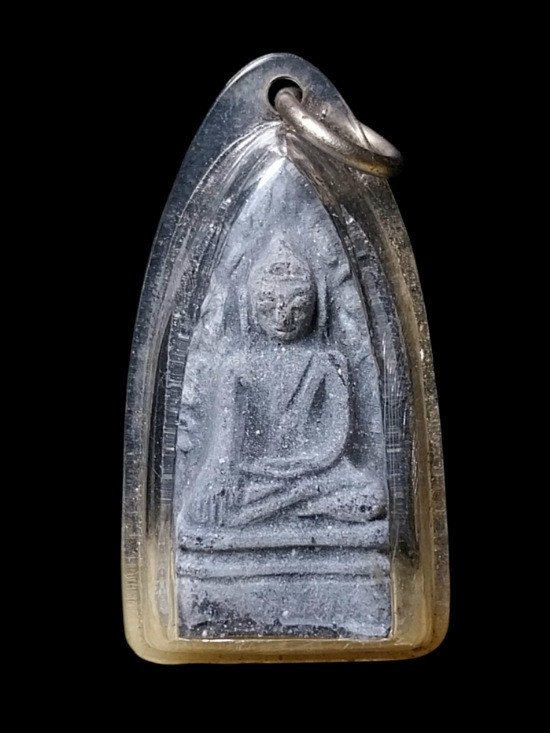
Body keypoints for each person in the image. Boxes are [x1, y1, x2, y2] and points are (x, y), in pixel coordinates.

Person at [184, 242, 386, 527]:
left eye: (298, 307)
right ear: (248, 306)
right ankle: (299, 506)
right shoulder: (237, 367)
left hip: (317, 472)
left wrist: (301, 469)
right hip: (255, 474)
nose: (284, 317)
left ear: (317, 307)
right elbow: (223, 453)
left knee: (372, 496)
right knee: (202, 509)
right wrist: (221, 477)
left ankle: (293, 506)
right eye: (270, 305)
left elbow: (336, 439)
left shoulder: (329, 363)